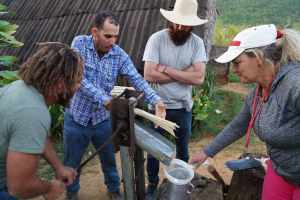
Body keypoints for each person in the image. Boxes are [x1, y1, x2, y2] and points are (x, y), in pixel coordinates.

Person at [64, 11, 166, 200]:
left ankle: (113, 190)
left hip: (102, 120)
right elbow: (78, 78)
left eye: (116, 36)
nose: (112, 41)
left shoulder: (118, 55)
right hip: (76, 118)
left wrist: (156, 100)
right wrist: (105, 100)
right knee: (72, 163)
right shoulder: (79, 44)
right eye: (108, 36)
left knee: (109, 160)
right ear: (95, 32)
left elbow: (137, 78)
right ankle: (71, 194)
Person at [190, 24, 300, 200]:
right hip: (280, 172)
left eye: (237, 62)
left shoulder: (294, 84)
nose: (233, 69)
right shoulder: (257, 94)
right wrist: (206, 152)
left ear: (258, 57)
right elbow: (238, 125)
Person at [0, 42, 83, 200]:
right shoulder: (33, 112)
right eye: (77, 80)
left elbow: (37, 135)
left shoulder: (20, 88)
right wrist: (49, 187)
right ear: (60, 83)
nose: (79, 87)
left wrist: (58, 167)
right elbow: (19, 187)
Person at [142, 0, 208, 197]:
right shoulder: (157, 39)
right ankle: (152, 185)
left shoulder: (197, 43)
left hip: (182, 106)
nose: (180, 27)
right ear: (171, 20)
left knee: (183, 151)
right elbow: (148, 74)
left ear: (192, 25)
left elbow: (199, 78)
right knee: (155, 151)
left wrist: (167, 70)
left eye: (185, 23)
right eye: (177, 22)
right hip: (158, 106)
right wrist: (183, 74)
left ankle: (180, 185)